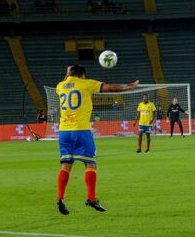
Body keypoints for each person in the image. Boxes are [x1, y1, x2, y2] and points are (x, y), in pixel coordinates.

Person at [56, 64, 139, 215]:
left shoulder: (60, 86)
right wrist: (129, 86)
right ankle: (91, 198)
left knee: (66, 165)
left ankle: (60, 198)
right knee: (90, 164)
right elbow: (111, 88)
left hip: (63, 132)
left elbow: (67, 80)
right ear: (82, 75)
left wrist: (69, 73)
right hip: (81, 130)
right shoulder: (86, 83)